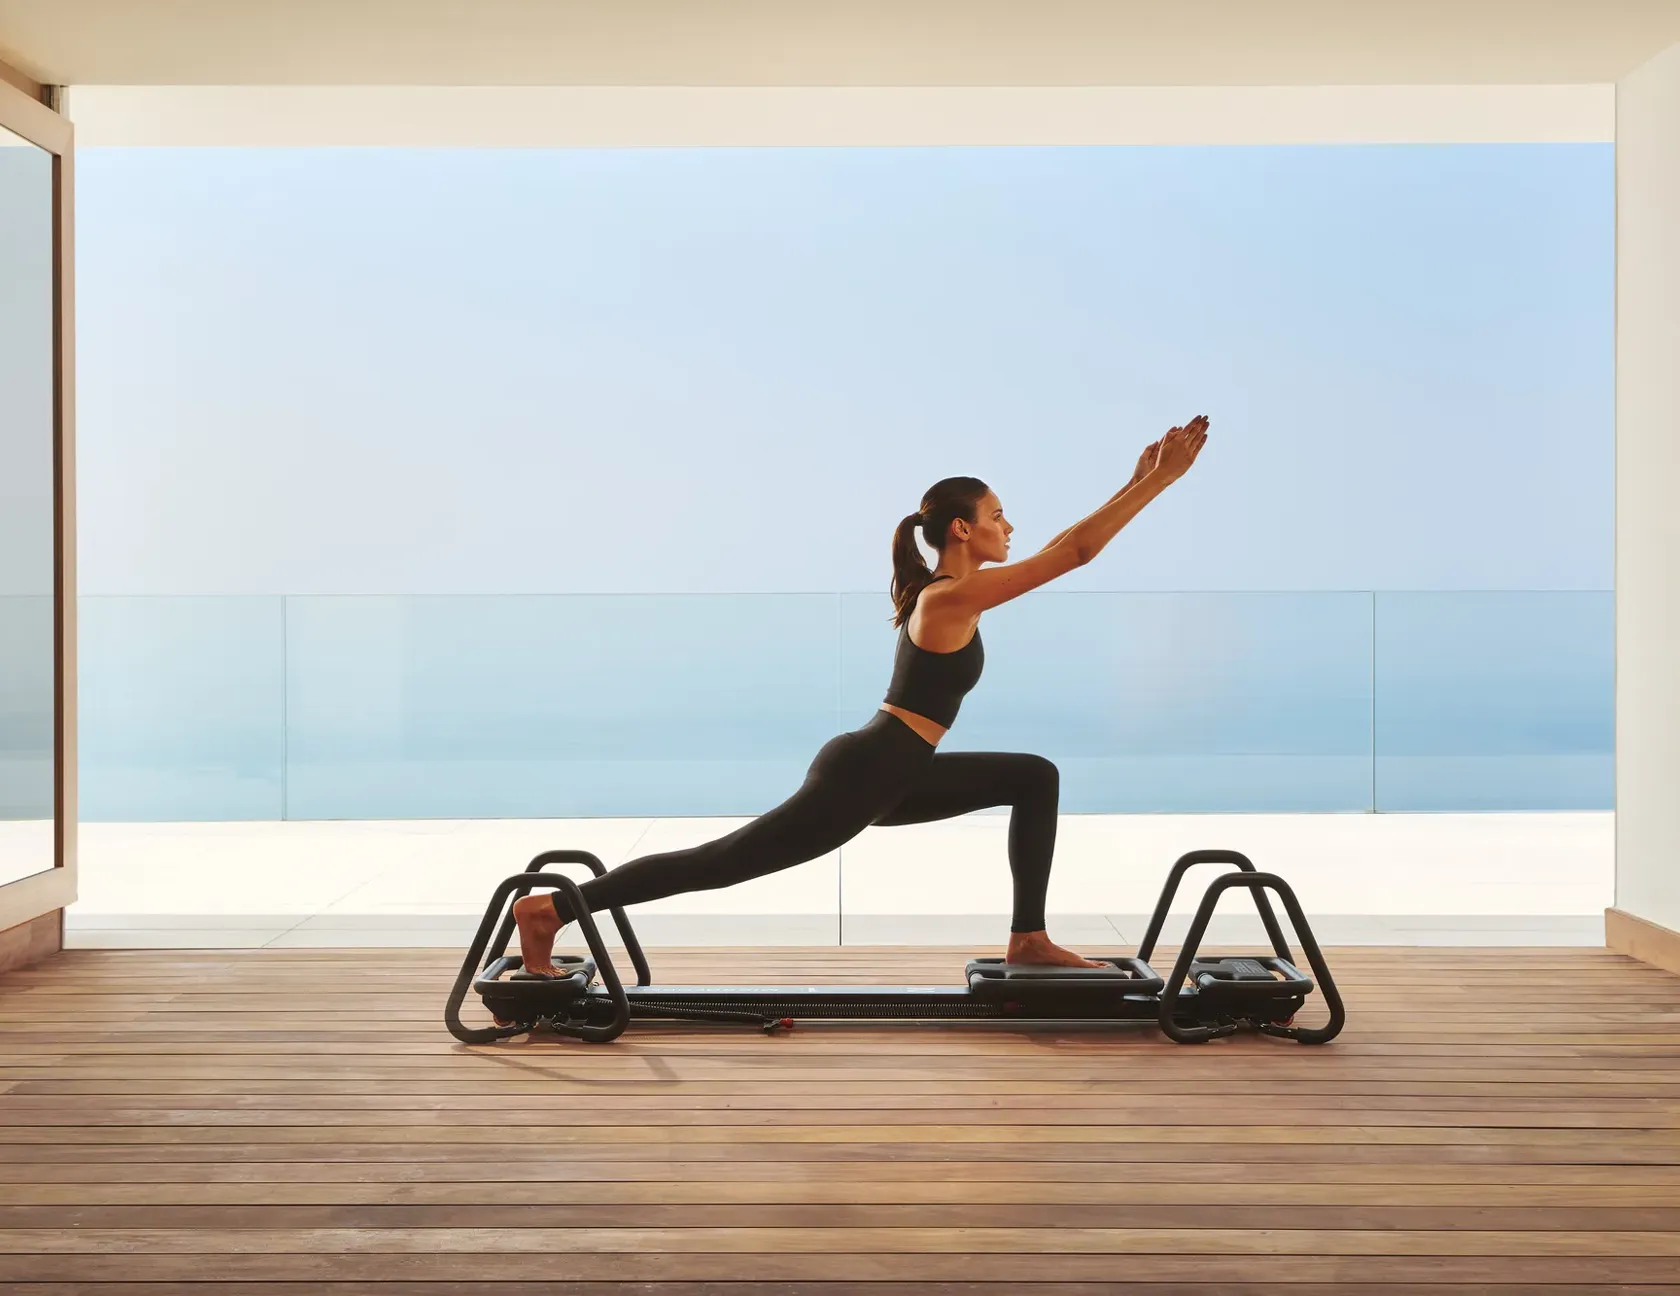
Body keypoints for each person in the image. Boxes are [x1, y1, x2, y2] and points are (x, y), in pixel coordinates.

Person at [513, 415, 1211, 975]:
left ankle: (1028, 938)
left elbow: (1062, 544)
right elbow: (1073, 554)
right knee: (721, 864)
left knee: (1033, 777)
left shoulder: (953, 595)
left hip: (894, 770)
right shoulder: (949, 598)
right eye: (999, 515)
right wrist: (1163, 482)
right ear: (963, 530)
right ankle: (553, 909)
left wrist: (1136, 477)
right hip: (871, 769)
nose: (1010, 527)